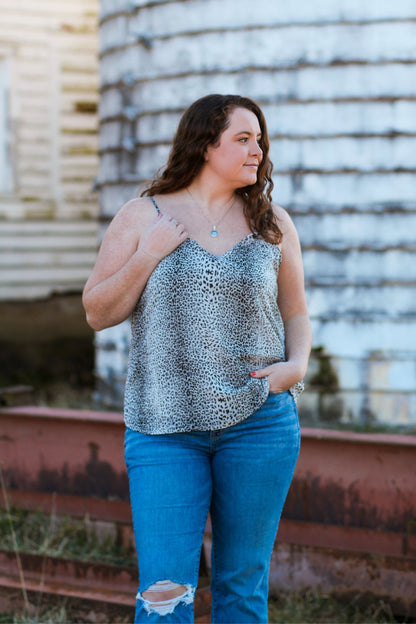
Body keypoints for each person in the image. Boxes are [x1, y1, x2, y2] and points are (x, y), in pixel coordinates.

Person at [83, 94, 312, 623]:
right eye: (243, 138)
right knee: (164, 592)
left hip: (260, 422)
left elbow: (296, 312)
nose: (258, 150)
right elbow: (97, 312)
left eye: (260, 140)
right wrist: (148, 254)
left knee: (242, 585)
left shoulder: (272, 222)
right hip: (164, 427)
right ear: (205, 143)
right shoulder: (144, 215)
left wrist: (296, 366)